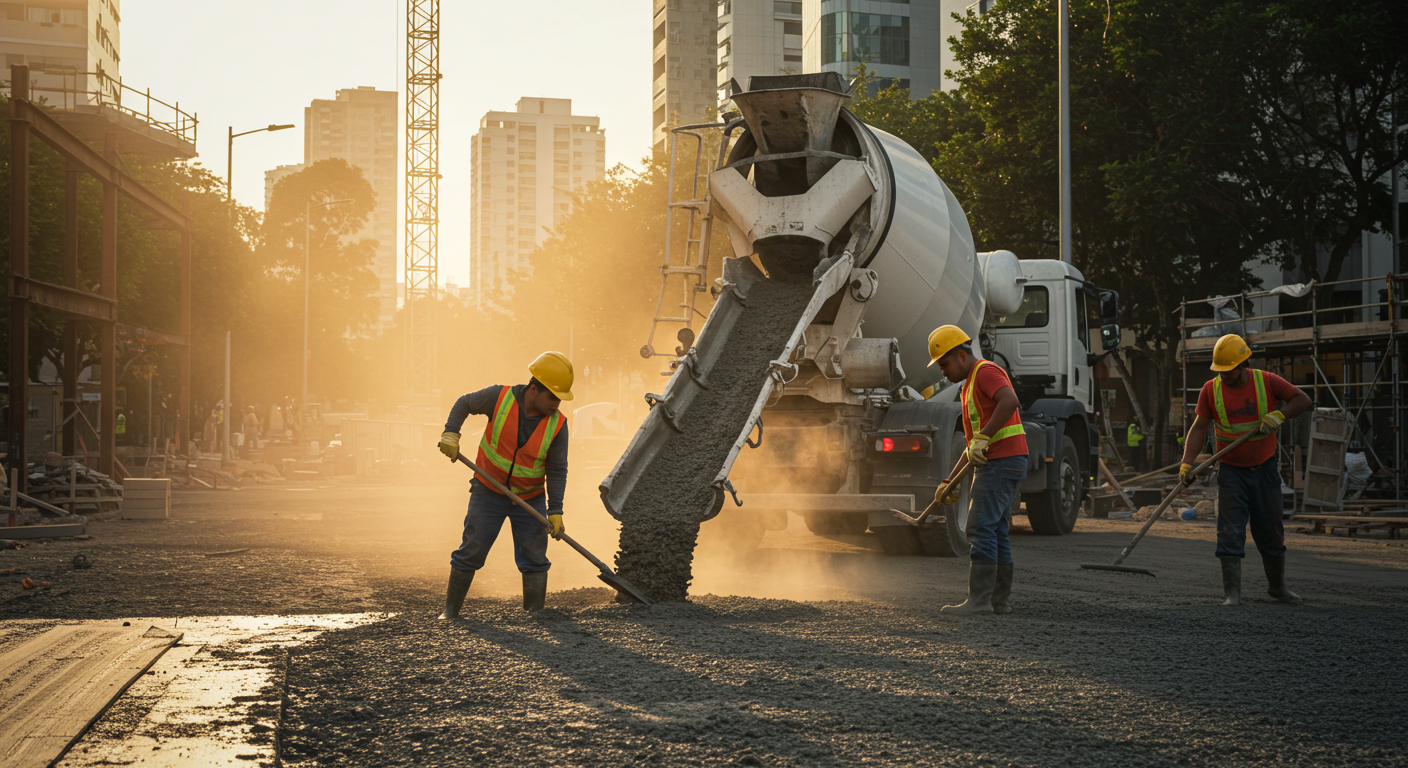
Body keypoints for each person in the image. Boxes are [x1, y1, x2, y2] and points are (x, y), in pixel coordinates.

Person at [436, 351, 574, 618]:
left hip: (530, 498)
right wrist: (451, 433)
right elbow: (463, 403)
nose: (557, 404)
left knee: (535, 559)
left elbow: (557, 470)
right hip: (488, 490)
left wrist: (555, 510)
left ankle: (536, 615)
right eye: (553, 397)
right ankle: (450, 612)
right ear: (534, 390)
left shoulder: (558, 426)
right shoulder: (499, 397)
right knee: (471, 548)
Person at [1179, 334, 1311, 606]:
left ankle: (1277, 589)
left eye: (1229, 371)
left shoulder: (1266, 382)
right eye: (1221, 371)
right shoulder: (1210, 390)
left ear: (1243, 364)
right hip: (1231, 472)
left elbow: (1303, 399)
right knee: (1230, 531)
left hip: (1265, 470)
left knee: (1271, 532)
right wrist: (1186, 462)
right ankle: (1232, 594)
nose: (1225, 376)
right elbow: (1199, 428)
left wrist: (1280, 414)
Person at [928, 326, 1029, 616]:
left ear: (961, 356)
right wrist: (950, 480)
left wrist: (984, 438)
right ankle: (999, 601)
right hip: (1002, 460)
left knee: (979, 526)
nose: (943, 372)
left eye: (945, 364)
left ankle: (979, 601)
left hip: (1002, 460)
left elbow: (1010, 401)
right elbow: (973, 444)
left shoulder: (985, 371)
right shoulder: (969, 384)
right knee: (995, 529)